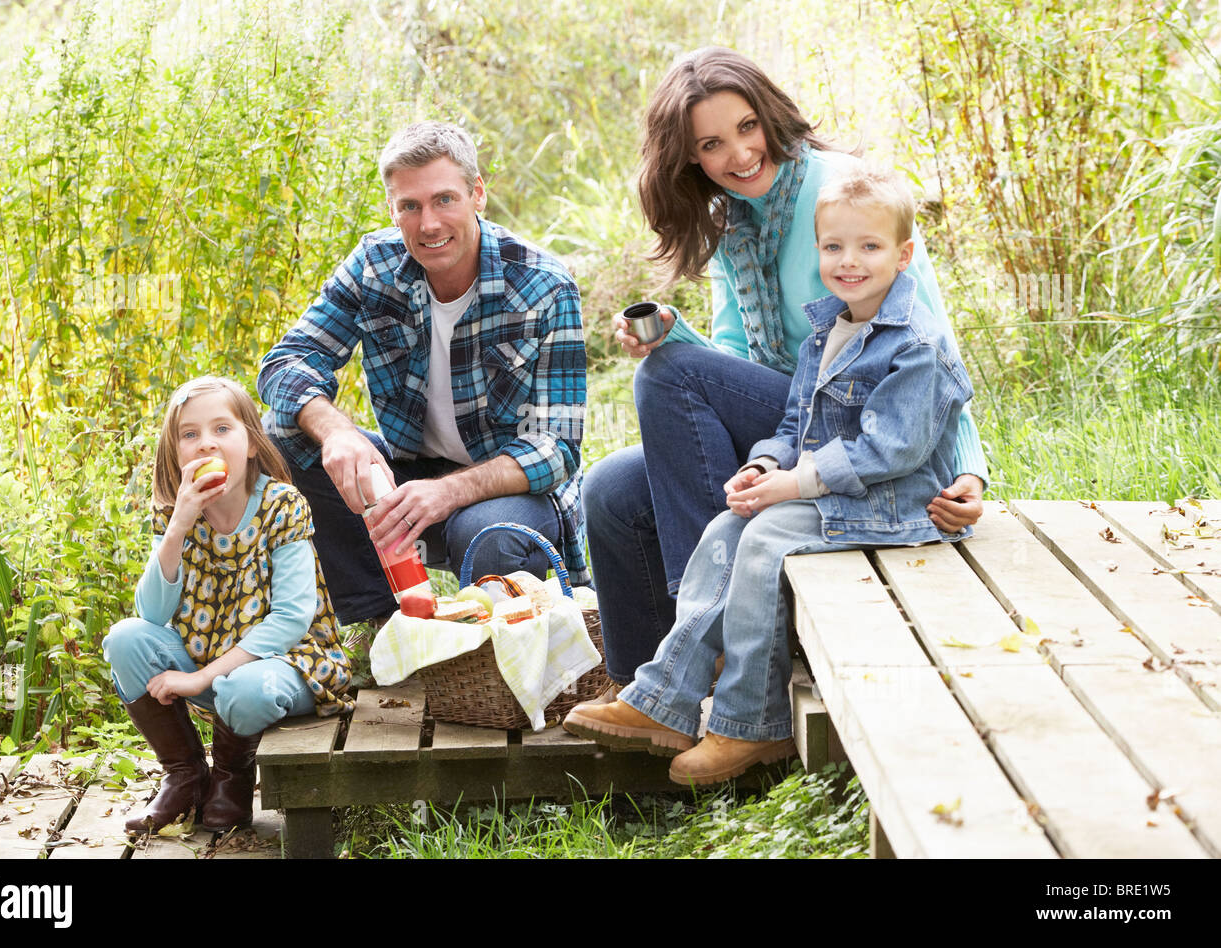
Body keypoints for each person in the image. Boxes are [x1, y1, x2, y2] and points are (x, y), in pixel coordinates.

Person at [583, 47, 988, 689]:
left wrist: (968, 469)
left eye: (747, 127)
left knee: (665, 376)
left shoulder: (843, 193)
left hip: (861, 426)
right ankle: (644, 701)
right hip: (794, 420)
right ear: (690, 157)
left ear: (769, 115)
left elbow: (932, 344)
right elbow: (734, 367)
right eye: (713, 144)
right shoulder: (731, 225)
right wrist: (671, 333)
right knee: (609, 491)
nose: (740, 155)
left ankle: (705, 636)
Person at [566, 161, 974, 783]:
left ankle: (748, 724)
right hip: (840, 487)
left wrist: (796, 483)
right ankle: (666, 699)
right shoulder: (827, 331)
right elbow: (796, 424)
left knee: (763, 538)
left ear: (904, 253)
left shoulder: (916, 342)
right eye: (834, 247)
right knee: (726, 530)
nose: (849, 261)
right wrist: (765, 464)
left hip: (901, 501)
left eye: (869, 246)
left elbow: (891, 452)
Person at [258, 122, 588, 626]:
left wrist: (447, 493)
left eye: (444, 200)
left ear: (477, 193)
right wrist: (337, 433)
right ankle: (381, 626)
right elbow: (286, 363)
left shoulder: (544, 286)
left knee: (489, 535)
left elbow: (557, 447)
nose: (428, 223)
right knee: (278, 439)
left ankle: (484, 664)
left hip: (504, 493)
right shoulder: (374, 266)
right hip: (407, 471)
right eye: (409, 206)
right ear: (392, 209)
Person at [104, 376, 356, 834]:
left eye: (222, 429)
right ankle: (185, 777)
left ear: (252, 444)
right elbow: (153, 615)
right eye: (190, 434)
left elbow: (292, 618)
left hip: (288, 664)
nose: (206, 445)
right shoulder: (176, 511)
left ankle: (231, 778)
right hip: (213, 661)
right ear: (175, 453)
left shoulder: (282, 506)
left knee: (245, 688)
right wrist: (178, 528)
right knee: (125, 639)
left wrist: (200, 677)